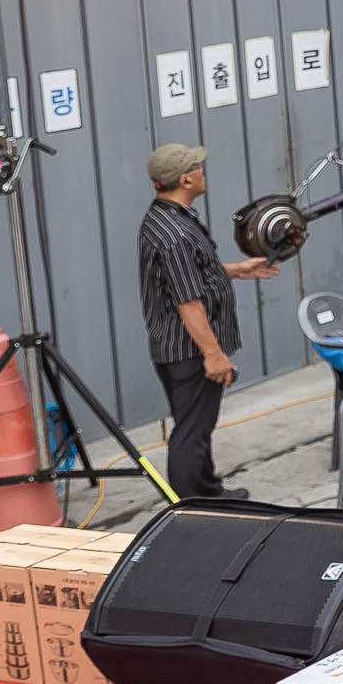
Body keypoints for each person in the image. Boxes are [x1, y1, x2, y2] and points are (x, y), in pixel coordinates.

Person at [137, 143, 281, 501]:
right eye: (197, 166)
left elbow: (190, 276)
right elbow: (188, 302)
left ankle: (208, 490)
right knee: (191, 431)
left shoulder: (167, 216)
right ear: (186, 179)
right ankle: (192, 508)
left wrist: (236, 270)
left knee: (197, 424)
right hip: (189, 348)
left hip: (178, 344)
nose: (203, 169)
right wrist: (213, 354)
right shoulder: (176, 235)